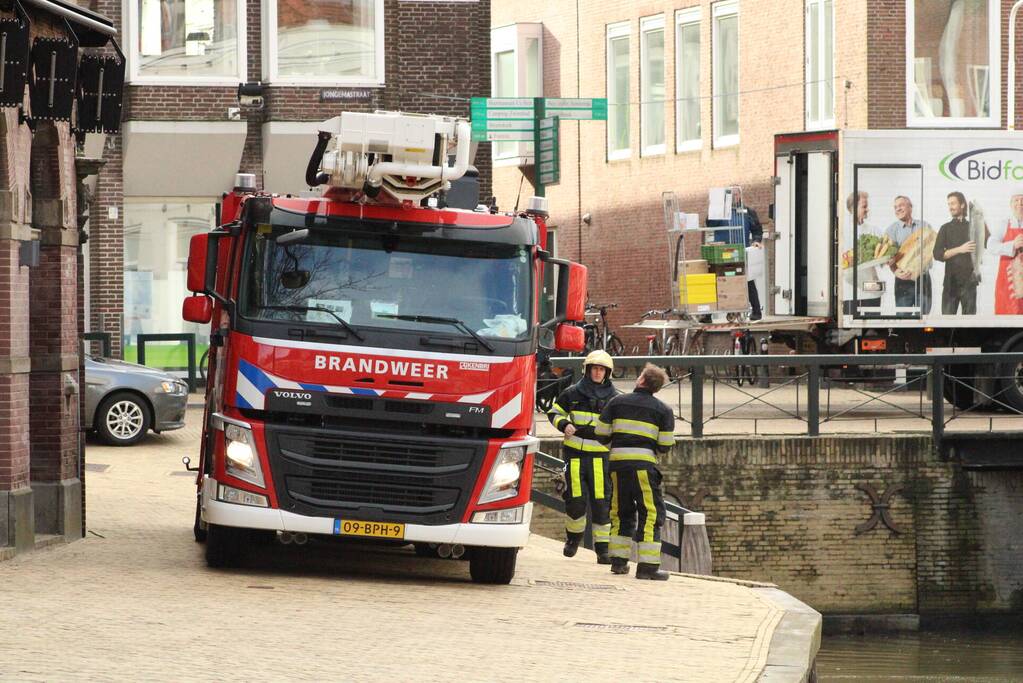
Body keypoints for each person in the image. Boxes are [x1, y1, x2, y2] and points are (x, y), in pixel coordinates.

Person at [594, 363, 675, 581]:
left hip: (618, 466)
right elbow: (665, 445)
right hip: (643, 468)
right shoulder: (664, 410)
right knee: (650, 513)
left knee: (621, 511)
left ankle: (619, 562)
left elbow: (600, 433)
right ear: (656, 388)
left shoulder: (616, 402)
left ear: (641, 380)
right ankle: (647, 567)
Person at [546, 350, 621, 563]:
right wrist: (564, 424)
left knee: (601, 503)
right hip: (575, 456)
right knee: (576, 501)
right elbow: (554, 412)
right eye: (594, 368)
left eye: (602, 370)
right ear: (587, 370)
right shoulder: (572, 393)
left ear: (607, 373)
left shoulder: (615, 399)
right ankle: (573, 540)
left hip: (600, 458)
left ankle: (603, 550)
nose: (598, 373)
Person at [708, 187, 764, 320]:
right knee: (716, 282)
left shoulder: (748, 212)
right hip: (721, 255)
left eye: (736, 194)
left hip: (740, 253)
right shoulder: (720, 212)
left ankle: (757, 312)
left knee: (747, 282)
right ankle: (707, 314)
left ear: (740, 195)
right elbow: (710, 223)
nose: (734, 197)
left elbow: (757, 229)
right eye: (731, 194)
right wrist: (715, 207)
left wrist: (756, 241)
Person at [884, 196, 933, 314]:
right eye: (895, 207)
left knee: (924, 317)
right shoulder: (891, 230)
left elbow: (932, 249)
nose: (898, 209)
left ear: (910, 207)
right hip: (903, 281)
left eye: (901, 205)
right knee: (903, 318)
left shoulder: (925, 226)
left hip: (923, 279)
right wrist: (895, 271)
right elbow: (888, 257)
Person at [933, 191, 978, 315]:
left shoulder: (973, 227)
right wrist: (960, 249)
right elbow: (937, 254)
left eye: (953, 203)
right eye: (949, 204)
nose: (950, 207)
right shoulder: (945, 228)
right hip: (950, 283)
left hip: (970, 283)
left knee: (969, 323)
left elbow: (985, 245)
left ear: (962, 205)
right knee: (947, 323)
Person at [842, 191, 884, 316]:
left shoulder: (873, 230)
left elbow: (882, 257)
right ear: (853, 208)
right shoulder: (843, 231)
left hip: (872, 290)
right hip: (850, 290)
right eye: (864, 206)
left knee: (873, 324)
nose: (867, 209)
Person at [987, 193, 1023, 315]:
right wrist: (1012, 245)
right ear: (1011, 204)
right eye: (1016, 200)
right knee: (1007, 314)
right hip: (1008, 281)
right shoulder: (1004, 224)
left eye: (1022, 200)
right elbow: (991, 246)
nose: (1020, 203)